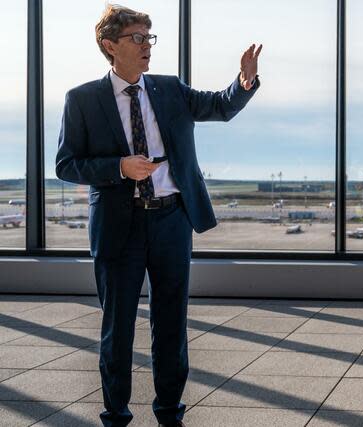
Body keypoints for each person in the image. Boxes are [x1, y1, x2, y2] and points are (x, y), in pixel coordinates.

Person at [55, 5, 262, 426]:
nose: (146, 46)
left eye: (150, 38)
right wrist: (118, 167)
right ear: (110, 45)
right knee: (118, 326)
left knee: (171, 323)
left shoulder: (169, 89)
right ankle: (116, 414)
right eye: (137, 38)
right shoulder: (82, 100)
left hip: (171, 221)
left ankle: (170, 412)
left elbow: (220, 106)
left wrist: (244, 81)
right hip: (118, 225)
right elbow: (66, 164)